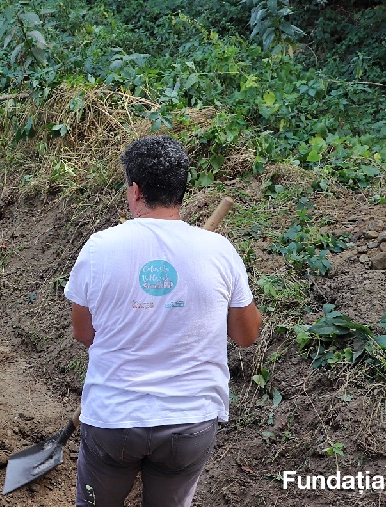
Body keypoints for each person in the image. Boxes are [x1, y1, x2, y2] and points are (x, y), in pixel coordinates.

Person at [64, 135, 262, 507]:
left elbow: (84, 333)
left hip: (114, 419)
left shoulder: (100, 247)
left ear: (135, 190)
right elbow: (246, 335)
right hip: (189, 423)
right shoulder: (218, 251)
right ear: (181, 190)